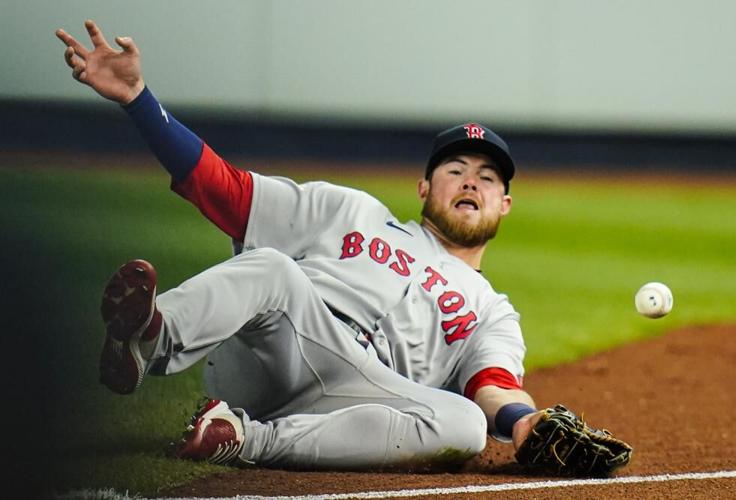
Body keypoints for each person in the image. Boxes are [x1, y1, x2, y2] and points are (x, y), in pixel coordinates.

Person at [56, 20, 543, 469]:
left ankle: (241, 437)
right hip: (274, 350)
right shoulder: (352, 210)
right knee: (272, 266)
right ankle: (146, 341)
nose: (469, 183)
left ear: (505, 204)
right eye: (454, 170)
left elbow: (493, 386)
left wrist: (522, 420)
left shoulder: (492, 311)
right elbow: (228, 192)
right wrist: (139, 99)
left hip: (361, 397)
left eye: (486, 177)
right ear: (423, 189)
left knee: (466, 426)